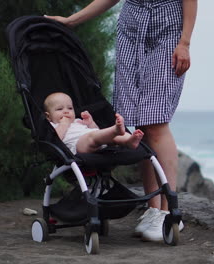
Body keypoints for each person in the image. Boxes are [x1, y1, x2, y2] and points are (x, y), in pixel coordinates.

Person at [45, 0, 197, 242]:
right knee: (140, 124)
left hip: (168, 29)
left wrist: (185, 42)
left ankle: (170, 213)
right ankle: (153, 208)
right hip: (131, 28)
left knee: (156, 122)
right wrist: (72, 20)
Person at [44, 92, 144, 154]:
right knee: (92, 137)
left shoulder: (77, 121)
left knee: (107, 135)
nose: (66, 111)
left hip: (97, 140)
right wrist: (63, 124)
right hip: (78, 146)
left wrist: (90, 123)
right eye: (60, 109)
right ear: (48, 116)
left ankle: (129, 141)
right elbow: (55, 139)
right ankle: (115, 129)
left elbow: (96, 130)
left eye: (70, 108)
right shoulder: (53, 125)